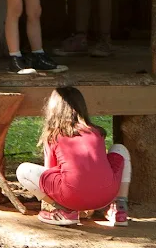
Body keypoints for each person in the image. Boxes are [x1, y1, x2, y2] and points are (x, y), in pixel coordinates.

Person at [15, 86, 130, 226]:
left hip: (70, 196)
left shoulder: (53, 135)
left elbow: (50, 170)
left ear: (53, 109)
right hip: (106, 196)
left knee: (23, 170)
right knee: (120, 149)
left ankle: (65, 210)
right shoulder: (97, 132)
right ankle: (119, 209)